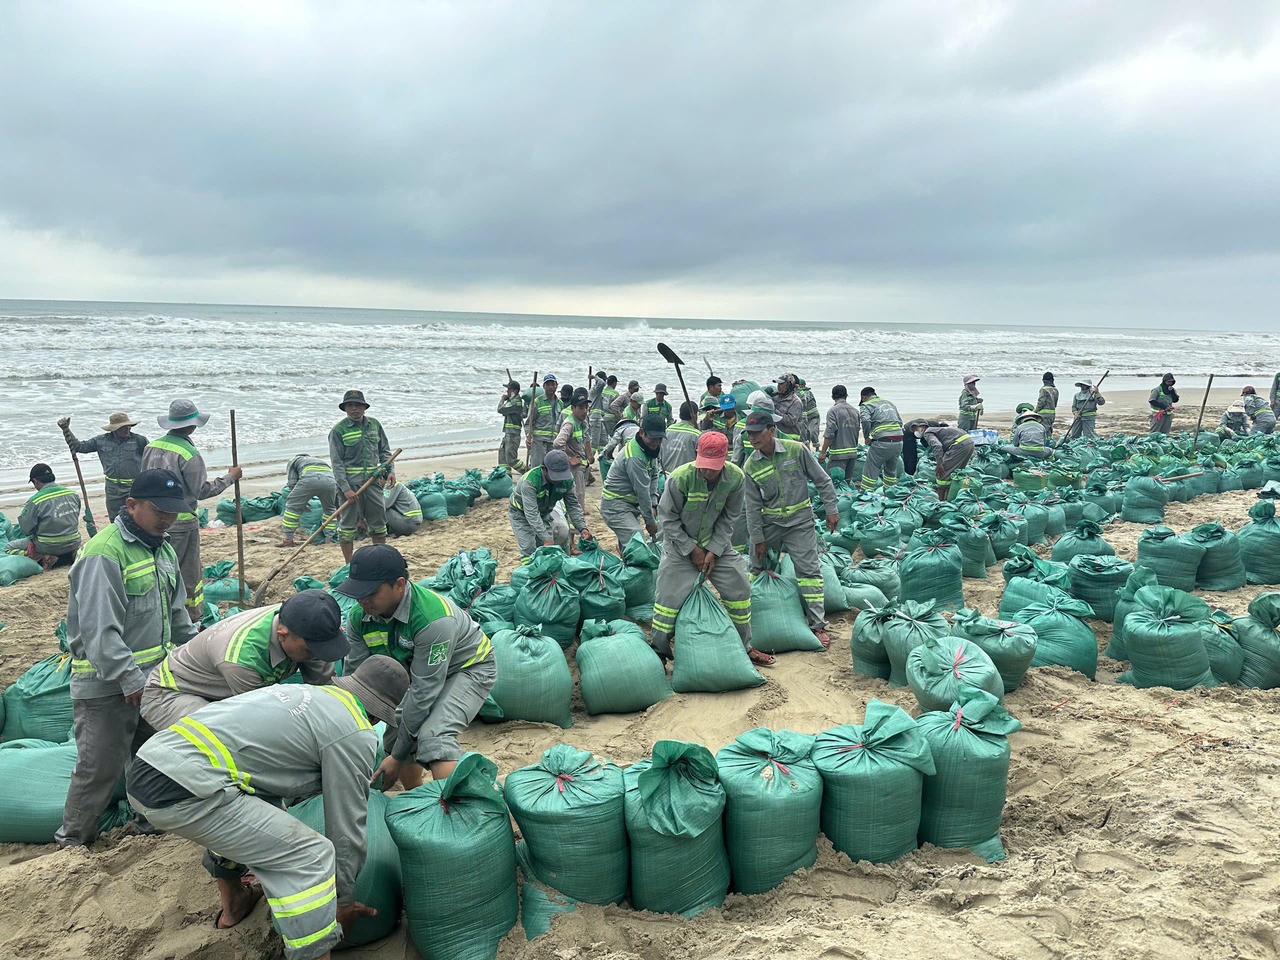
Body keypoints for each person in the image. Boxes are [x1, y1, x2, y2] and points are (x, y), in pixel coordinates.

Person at [126, 656, 409, 955]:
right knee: (311, 856)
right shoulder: (354, 730)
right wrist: (343, 901)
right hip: (182, 788)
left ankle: (234, 904)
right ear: (378, 716)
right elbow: (347, 825)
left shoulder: (306, 694)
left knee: (262, 818)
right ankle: (315, 952)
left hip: (152, 765)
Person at [58, 468, 200, 848]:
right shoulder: (104, 552)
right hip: (106, 684)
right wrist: (129, 678)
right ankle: (73, 842)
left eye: (173, 511)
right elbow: (98, 630)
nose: (168, 519)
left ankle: (148, 825)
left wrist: (199, 653)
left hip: (153, 680)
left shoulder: (163, 549)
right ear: (132, 504)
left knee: (153, 758)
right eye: (159, 510)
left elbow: (177, 617)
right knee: (98, 768)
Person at [340, 545, 497, 787]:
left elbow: (423, 693)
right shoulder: (359, 618)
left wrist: (396, 757)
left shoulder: (433, 619)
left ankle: (454, 807)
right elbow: (356, 680)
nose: (363, 600)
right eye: (357, 593)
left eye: (370, 592)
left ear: (399, 584)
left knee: (435, 736)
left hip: (467, 668)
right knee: (396, 738)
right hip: (416, 673)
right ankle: (417, 794)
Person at [140, 590, 347, 730]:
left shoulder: (302, 622)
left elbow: (325, 689)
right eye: (310, 650)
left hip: (222, 692)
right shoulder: (241, 660)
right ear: (282, 635)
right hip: (173, 693)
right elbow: (257, 724)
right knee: (220, 738)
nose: (317, 657)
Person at [651, 432, 774, 668]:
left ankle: (744, 646)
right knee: (667, 600)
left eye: (713, 467)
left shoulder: (735, 478)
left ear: (724, 460)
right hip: (679, 547)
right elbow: (668, 520)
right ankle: (659, 651)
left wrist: (713, 551)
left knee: (739, 585)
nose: (708, 472)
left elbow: (729, 518)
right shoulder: (680, 478)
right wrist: (692, 550)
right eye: (704, 465)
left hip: (717, 545)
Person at [743, 411, 839, 647]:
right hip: (770, 524)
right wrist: (758, 539)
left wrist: (831, 509)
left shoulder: (796, 450)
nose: (752, 438)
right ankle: (757, 620)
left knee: (809, 572)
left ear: (771, 430)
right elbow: (751, 508)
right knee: (758, 568)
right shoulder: (751, 465)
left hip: (800, 523)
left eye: (756, 433)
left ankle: (817, 625)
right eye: (749, 434)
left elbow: (822, 480)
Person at [140, 399, 242, 622]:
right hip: (181, 523)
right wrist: (230, 477)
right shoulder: (189, 454)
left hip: (149, 519)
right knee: (187, 573)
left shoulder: (150, 447)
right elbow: (201, 491)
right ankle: (190, 617)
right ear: (192, 426)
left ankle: (159, 611)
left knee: (157, 568)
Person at [329, 390, 392, 564]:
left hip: (372, 484)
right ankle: (349, 565)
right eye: (350, 405)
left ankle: (379, 560)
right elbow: (337, 463)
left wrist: (390, 470)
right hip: (351, 487)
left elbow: (385, 452)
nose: (354, 409)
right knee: (347, 527)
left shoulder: (375, 425)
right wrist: (345, 489)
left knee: (378, 524)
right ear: (345, 409)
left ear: (364, 407)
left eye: (358, 405)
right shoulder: (338, 431)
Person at [58, 412, 149, 521]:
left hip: (134, 486)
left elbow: (151, 458)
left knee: (137, 518)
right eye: (123, 427)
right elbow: (79, 447)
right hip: (112, 488)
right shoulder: (101, 441)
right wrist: (66, 430)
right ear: (114, 429)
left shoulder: (140, 440)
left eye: (129, 426)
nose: (127, 429)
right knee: (115, 519)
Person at [599, 413, 665, 550]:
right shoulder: (634, 457)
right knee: (637, 539)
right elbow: (642, 492)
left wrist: (654, 504)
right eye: (653, 438)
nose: (656, 442)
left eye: (660, 438)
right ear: (642, 432)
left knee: (630, 545)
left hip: (631, 505)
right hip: (615, 505)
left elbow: (654, 475)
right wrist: (650, 522)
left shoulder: (650, 449)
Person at [508, 449, 591, 556]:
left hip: (544, 512)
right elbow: (532, 514)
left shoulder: (567, 480)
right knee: (529, 547)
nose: (559, 480)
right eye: (556, 476)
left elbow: (573, 505)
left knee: (552, 541)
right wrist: (546, 538)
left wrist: (582, 528)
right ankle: (530, 566)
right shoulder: (530, 482)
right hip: (520, 513)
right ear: (544, 469)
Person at [9, 463, 82, 569]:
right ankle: (69, 557)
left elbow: (26, 530)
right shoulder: (73, 494)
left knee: (8, 548)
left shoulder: (36, 501)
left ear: (36, 481)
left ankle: (42, 559)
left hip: (47, 546)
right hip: (73, 542)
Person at [906, 419, 975, 501]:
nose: (915, 432)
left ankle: (940, 500)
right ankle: (950, 495)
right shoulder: (937, 430)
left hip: (959, 446)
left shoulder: (927, 432)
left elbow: (937, 446)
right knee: (956, 471)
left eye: (916, 429)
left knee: (943, 473)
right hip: (969, 443)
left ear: (923, 427)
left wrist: (939, 464)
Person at [281, 454, 338, 547]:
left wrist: (302, 503)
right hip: (330, 482)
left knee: (292, 507)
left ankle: (288, 539)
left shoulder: (293, 461)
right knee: (330, 509)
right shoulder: (319, 461)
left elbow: (292, 484)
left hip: (309, 480)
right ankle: (329, 540)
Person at [858, 388, 905, 491]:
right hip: (899, 441)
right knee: (891, 471)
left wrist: (867, 437)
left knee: (871, 469)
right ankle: (890, 493)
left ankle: (866, 494)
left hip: (882, 442)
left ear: (863, 397)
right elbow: (900, 422)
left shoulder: (866, 405)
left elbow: (865, 420)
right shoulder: (889, 404)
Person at [553, 393, 594, 506]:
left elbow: (586, 440)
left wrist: (590, 456)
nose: (584, 411)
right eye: (581, 408)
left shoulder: (582, 422)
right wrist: (568, 458)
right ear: (572, 408)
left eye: (586, 408)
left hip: (582, 466)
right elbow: (557, 443)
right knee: (577, 496)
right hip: (575, 468)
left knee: (580, 494)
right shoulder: (570, 424)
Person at [818, 385, 860, 483]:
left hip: (838, 455)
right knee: (847, 483)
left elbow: (829, 433)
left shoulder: (833, 411)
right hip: (852, 454)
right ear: (846, 396)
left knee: (834, 483)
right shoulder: (855, 411)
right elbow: (857, 431)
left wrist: (823, 453)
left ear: (833, 397)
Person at [525, 374, 562, 470]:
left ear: (556, 386)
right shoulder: (537, 402)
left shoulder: (560, 403)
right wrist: (529, 437)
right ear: (544, 386)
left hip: (554, 442)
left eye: (553, 384)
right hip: (539, 442)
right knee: (537, 468)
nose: (551, 387)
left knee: (551, 469)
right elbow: (528, 423)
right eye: (548, 384)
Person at [661, 401, 702, 473]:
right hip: (685, 476)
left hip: (666, 475)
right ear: (695, 415)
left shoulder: (667, 431)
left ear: (680, 415)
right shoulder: (697, 435)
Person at [497, 380, 526, 469]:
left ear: (515, 391)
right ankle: (506, 475)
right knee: (502, 456)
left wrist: (502, 399)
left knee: (511, 460)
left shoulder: (515, 402)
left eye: (509, 390)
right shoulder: (512, 401)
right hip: (509, 433)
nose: (507, 392)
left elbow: (500, 409)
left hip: (513, 434)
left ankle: (526, 471)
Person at [770, 374, 806, 441]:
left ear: (789, 385)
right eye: (778, 384)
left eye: (781, 384)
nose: (778, 386)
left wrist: (774, 411)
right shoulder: (775, 397)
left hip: (790, 439)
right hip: (777, 437)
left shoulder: (795, 402)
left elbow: (791, 421)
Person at [795, 376, 821, 445]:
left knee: (813, 433)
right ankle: (808, 449)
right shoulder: (797, 393)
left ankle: (817, 448)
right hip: (805, 419)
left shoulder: (807, 393)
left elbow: (805, 399)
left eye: (799, 385)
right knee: (806, 435)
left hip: (813, 416)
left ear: (803, 385)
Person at [1037, 372, 1060, 436]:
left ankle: (1045, 441)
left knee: (1043, 431)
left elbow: (1041, 402)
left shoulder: (1044, 389)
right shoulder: (1055, 390)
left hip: (1043, 415)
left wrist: (1035, 411)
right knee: (1049, 429)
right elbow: (1055, 404)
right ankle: (1049, 441)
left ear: (1043, 380)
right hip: (1052, 414)